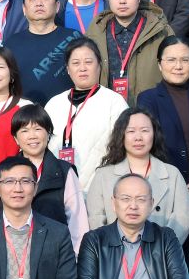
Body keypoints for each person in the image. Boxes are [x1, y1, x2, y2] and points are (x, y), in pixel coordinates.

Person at [83, 109, 189, 246]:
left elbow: (184, 217)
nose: (138, 137)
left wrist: (162, 249)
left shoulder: (172, 174)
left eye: (145, 130)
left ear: (154, 134)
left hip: (161, 254)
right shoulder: (103, 175)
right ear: (121, 135)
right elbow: (96, 217)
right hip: (114, 253)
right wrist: (113, 249)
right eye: (131, 131)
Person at [42, 38, 127, 186]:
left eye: (88, 62)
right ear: (68, 69)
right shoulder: (54, 104)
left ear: (99, 65)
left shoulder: (114, 102)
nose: (82, 68)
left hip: (101, 186)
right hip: (59, 187)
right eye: (75, 63)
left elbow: (123, 147)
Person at [138, 37, 189, 188]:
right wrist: (175, 180)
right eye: (171, 60)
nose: (178, 66)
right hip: (164, 183)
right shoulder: (148, 99)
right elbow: (150, 144)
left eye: (185, 60)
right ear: (160, 64)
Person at [90, 0, 174, 104]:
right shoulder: (96, 31)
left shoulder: (160, 31)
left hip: (150, 109)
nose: (122, 1)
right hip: (107, 110)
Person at [9, 105, 79, 233]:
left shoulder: (65, 171)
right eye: (25, 131)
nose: (32, 136)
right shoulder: (4, 171)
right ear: (16, 139)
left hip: (56, 244)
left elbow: (77, 221)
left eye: (38, 129)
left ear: (48, 134)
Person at [7, 0, 78, 104]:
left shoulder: (75, 38)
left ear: (57, 6)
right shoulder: (11, 44)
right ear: (24, 9)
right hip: (24, 113)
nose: (39, 3)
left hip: (69, 110)